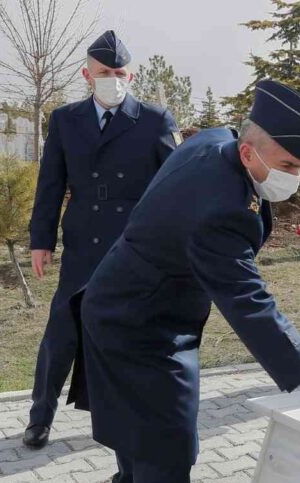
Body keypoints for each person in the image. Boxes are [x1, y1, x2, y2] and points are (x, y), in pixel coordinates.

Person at [68, 81, 300, 483]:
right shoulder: (218, 208)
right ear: (249, 151)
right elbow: (250, 303)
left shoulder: (215, 143)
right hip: (143, 323)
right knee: (172, 438)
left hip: (124, 298)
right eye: (288, 165)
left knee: (147, 423)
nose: (293, 178)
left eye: (299, 168)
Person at [22, 30, 181, 449]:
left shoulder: (154, 120)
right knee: (62, 328)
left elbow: (173, 184)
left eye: (119, 72)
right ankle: (40, 416)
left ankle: (127, 417)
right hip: (82, 241)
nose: (112, 78)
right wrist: (41, 240)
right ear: (86, 74)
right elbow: (50, 184)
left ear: (131, 75)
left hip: (132, 245)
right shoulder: (65, 119)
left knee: (127, 331)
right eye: (104, 72)